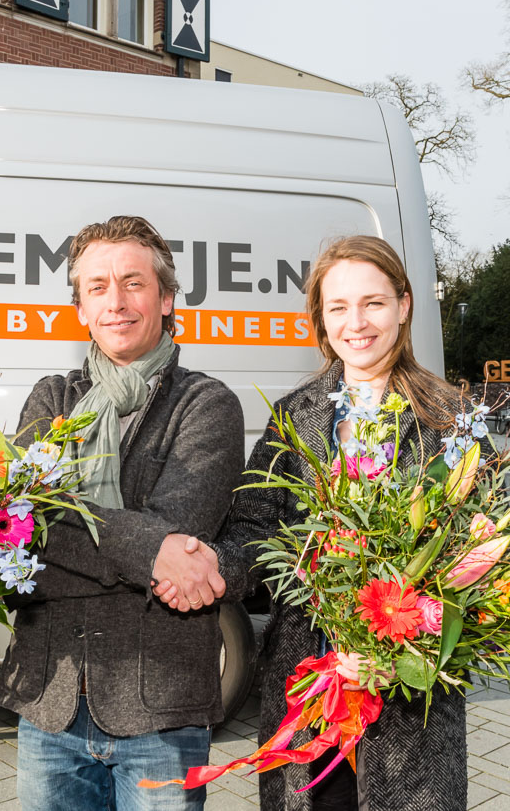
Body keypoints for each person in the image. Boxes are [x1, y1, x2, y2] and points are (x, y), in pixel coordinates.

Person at [158, 235, 468, 810]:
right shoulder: (295, 416)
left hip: (407, 705)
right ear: (321, 322)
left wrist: (398, 641)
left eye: (374, 303)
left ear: (404, 305)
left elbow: (476, 556)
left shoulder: (448, 420)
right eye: (339, 307)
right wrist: (212, 569)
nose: (358, 323)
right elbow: (254, 527)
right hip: (309, 690)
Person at [0, 215, 244, 811]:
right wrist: (146, 551)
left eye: (133, 283)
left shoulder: (206, 404)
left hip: (159, 708)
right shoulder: (52, 398)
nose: (116, 302)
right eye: (97, 287)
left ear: (165, 298)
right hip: (49, 704)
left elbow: (179, 540)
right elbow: (19, 531)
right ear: (79, 306)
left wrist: (68, 538)